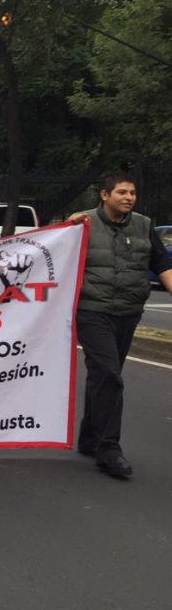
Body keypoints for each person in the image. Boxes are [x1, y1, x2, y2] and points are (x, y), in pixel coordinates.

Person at [67, 172, 172, 478]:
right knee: (110, 375)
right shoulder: (82, 223)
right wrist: (63, 228)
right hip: (92, 310)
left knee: (105, 377)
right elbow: (52, 249)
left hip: (128, 311)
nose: (129, 197)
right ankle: (109, 450)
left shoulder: (143, 225)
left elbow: (161, 265)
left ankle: (89, 437)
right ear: (104, 195)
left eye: (133, 193)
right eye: (122, 192)